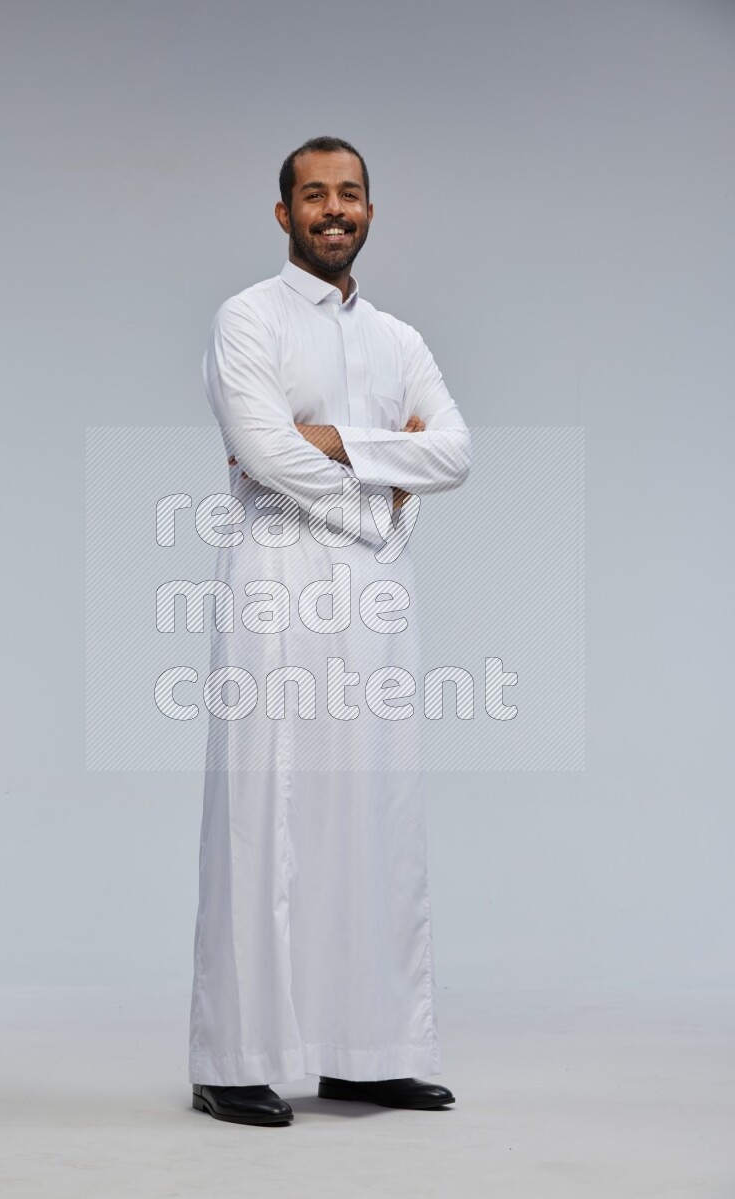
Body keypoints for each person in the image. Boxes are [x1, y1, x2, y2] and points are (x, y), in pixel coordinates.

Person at [189, 135, 472, 1126]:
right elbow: (263, 450)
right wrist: (371, 488)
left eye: (348, 192)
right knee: (264, 810)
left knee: (374, 813)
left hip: (378, 597)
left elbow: (455, 451)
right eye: (312, 194)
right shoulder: (248, 319)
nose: (332, 208)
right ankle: (233, 1055)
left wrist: (335, 441)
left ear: (368, 209)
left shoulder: (397, 339)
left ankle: (369, 1050)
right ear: (283, 215)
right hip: (278, 578)